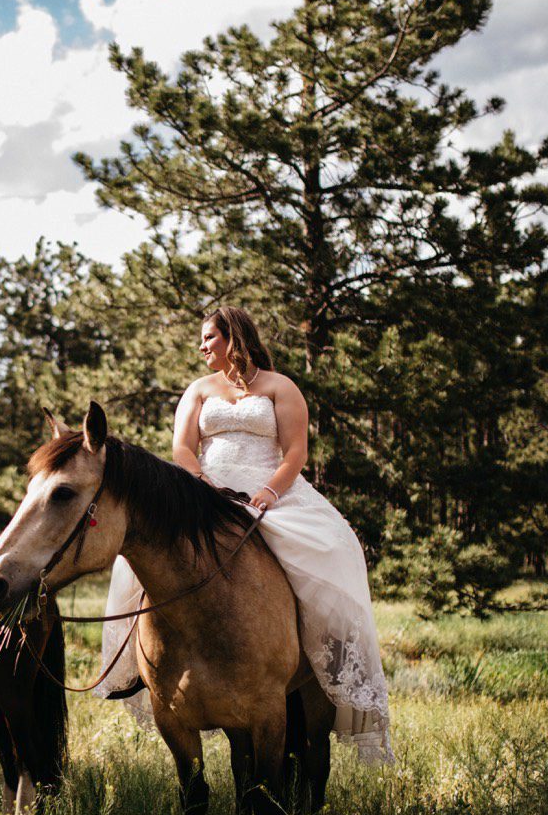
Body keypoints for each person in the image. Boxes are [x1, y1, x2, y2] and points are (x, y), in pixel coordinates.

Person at [94, 306, 393, 763]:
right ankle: (139, 666)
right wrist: (201, 484)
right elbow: (182, 447)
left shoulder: (279, 386)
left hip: (271, 491)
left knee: (335, 547)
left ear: (233, 337)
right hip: (206, 494)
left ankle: (327, 656)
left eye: (208, 338)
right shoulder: (197, 390)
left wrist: (269, 492)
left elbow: (296, 450)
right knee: (141, 558)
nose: (201, 347)